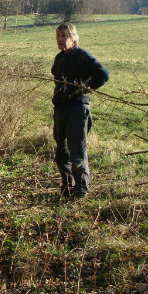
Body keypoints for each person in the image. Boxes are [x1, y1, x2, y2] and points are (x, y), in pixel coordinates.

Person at [51, 22, 109, 199]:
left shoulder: (82, 56)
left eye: (64, 36)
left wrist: (84, 88)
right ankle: (67, 187)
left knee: (77, 151)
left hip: (77, 108)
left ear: (73, 38)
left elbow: (103, 74)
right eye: (58, 36)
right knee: (61, 152)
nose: (60, 40)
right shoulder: (59, 58)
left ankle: (81, 191)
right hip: (61, 110)